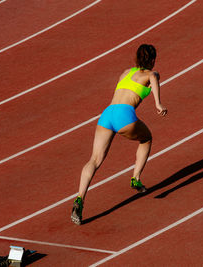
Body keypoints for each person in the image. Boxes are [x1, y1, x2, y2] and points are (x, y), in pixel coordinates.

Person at [71, 44, 167, 225]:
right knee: (146, 139)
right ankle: (136, 178)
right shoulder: (151, 75)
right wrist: (158, 104)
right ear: (153, 60)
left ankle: (79, 198)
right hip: (125, 115)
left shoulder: (125, 73)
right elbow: (154, 79)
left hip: (107, 114)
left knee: (94, 159)